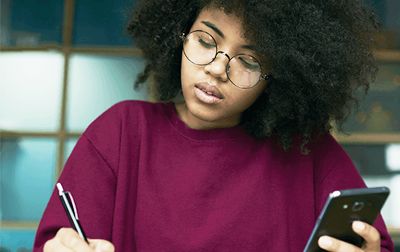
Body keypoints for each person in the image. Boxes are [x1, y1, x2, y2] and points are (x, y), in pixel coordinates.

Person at [34, 0, 395, 251]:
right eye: (206, 41)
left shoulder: (310, 153)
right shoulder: (121, 133)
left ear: (279, 77)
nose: (217, 69)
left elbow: (371, 242)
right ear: (179, 33)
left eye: (249, 61)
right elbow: (57, 239)